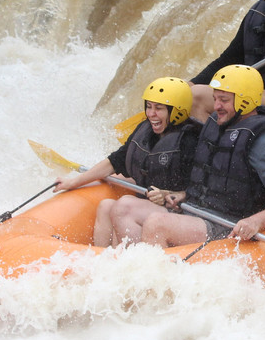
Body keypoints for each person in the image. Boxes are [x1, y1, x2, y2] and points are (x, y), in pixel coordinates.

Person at [140, 64, 265, 247]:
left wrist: (256, 221)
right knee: (120, 208)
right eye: (215, 99)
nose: (216, 106)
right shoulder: (216, 124)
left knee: (156, 224)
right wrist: (183, 194)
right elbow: (214, 179)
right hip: (196, 211)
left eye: (223, 100)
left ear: (245, 100)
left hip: (227, 223)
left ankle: (155, 273)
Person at [53, 77, 201, 247]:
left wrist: (168, 193)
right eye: (149, 107)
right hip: (148, 205)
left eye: (159, 109)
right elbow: (114, 162)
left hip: (180, 213)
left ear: (177, 111)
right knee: (105, 206)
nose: (151, 114)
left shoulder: (192, 140)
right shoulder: (145, 130)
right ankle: (105, 262)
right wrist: (73, 182)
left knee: (124, 206)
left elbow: (200, 188)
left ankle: (132, 264)